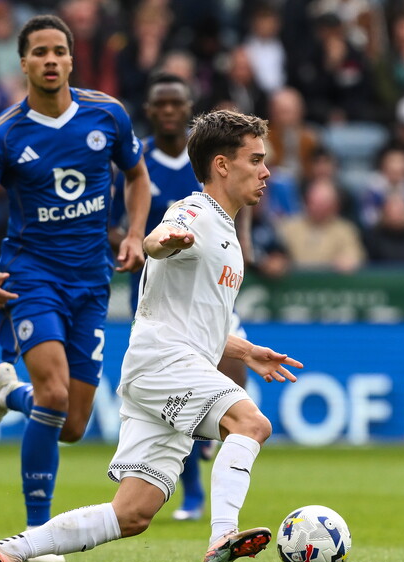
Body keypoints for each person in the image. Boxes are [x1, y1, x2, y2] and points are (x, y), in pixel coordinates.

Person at [0, 109, 302, 562]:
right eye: (255, 160)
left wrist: (246, 349)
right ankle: (221, 536)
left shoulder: (228, 230)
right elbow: (157, 239)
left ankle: (7, 551)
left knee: (133, 513)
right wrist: (159, 241)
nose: (266, 171)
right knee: (251, 424)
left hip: (162, 361)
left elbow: (192, 321)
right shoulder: (195, 213)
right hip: (165, 363)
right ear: (222, 165)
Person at [0, 15, 151, 562]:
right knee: (55, 394)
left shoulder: (106, 115)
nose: (49, 60)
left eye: (58, 51)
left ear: (70, 59)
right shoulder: (2, 134)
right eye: (38, 51)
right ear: (22, 62)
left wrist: (136, 233)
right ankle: (35, 535)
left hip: (91, 282)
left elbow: (137, 178)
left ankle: (4, 394)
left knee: (72, 425)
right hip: (31, 277)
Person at [110, 72, 248, 522]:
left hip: (210, 281)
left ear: (188, 108)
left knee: (230, 371)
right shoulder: (137, 161)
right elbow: (120, 224)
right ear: (149, 111)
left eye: (176, 103)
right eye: (160, 104)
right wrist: (141, 241)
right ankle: (192, 491)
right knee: (191, 388)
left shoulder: (207, 161)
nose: (168, 111)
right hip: (160, 289)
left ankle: (206, 458)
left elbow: (233, 213)